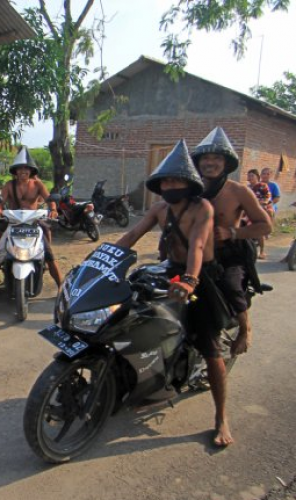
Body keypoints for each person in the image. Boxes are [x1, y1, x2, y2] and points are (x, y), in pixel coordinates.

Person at [116, 139, 238, 447]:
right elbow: (132, 234)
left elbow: (197, 245)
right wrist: (100, 259)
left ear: (189, 183)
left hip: (201, 278)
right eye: (166, 180)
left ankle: (221, 416)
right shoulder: (159, 208)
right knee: (131, 316)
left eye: (176, 180)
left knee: (210, 349)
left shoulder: (203, 208)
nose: (170, 185)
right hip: (168, 270)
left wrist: (190, 280)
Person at [192, 127, 272, 358]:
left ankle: (245, 331)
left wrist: (232, 232)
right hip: (194, 252)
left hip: (229, 254)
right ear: (198, 162)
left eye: (217, 158)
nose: (210, 162)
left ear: (226, 163)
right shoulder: (190, 188)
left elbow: (265, 226)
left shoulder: (238, 191)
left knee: (230, 285)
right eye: (206, 157)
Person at [0, 146, 62, 300]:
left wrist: (53, 209)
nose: (23, 172)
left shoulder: (38, 184)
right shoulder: (9, 185)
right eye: (20, 169)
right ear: (15, 171)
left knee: (49, 255)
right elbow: (0, 200)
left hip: (33, 223)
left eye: (26, 169)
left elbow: (49, 198)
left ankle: (61, 287)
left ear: (31, 171)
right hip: (13, 223)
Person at [246, 169, 274, 259]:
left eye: (252, 176)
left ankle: (262, 251)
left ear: (257, 177)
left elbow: (267, 197)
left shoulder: (262, 185)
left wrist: (263, 203)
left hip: (263, 207)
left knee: (258, 230)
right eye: (249, 175)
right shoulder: (246, 188)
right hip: (249, 209)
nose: (250, 177)